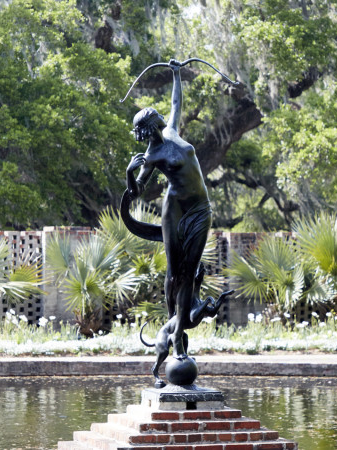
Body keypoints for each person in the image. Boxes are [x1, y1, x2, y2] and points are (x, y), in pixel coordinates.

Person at [120, 59, 212, 362]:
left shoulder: (172, 130)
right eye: (155, 117)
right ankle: (177, 338)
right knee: (177, 274)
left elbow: (176, 103)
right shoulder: (151, 155)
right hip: (174, 212)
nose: (162, 117)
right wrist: (130, 172)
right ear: (149, 128)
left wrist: (176, 73)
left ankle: (179, 325)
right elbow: (136, 192)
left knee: (191, 269)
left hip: (200, 208)